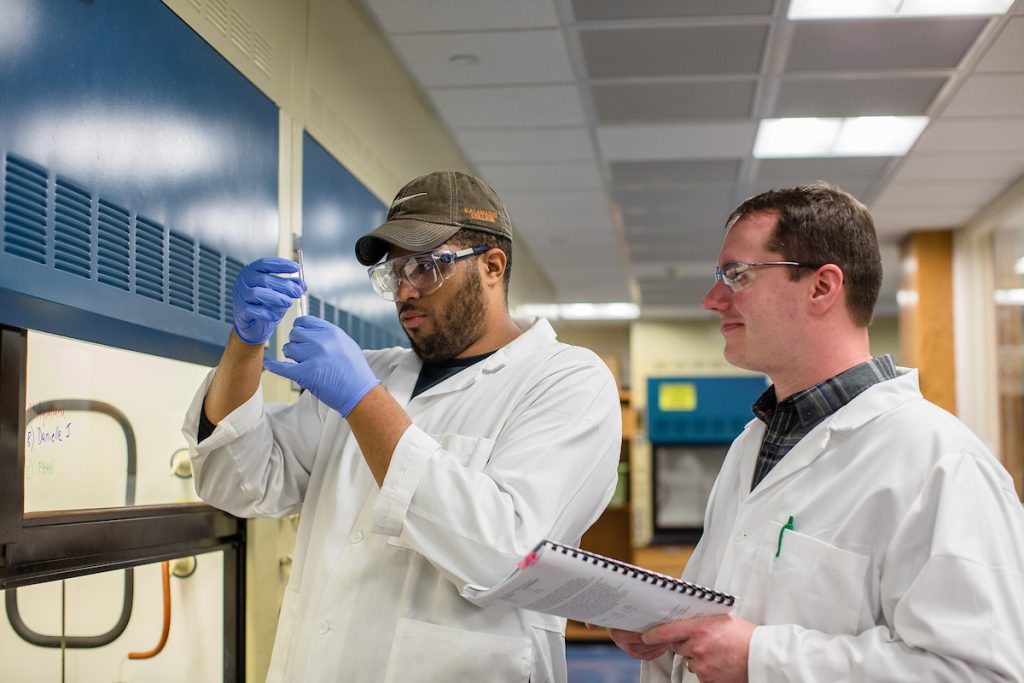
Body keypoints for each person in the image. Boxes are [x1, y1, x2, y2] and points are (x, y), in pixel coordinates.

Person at [182, 170, 622, 683]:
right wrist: (246, 342)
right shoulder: (372, 373)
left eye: (426, 268)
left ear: (492, 267)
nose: (404, 293)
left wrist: (363, 401)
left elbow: (505, 554)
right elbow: (238, 482)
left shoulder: (568, 380)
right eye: (395, 274)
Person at [610, 183, 1024, 682]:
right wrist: (663, 628)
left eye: (737, 275)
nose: (712, 299)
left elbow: (982, 672)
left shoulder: (940, 462)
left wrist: (762, 659)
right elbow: (739, 610)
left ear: (822, 286)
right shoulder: (753, 446)